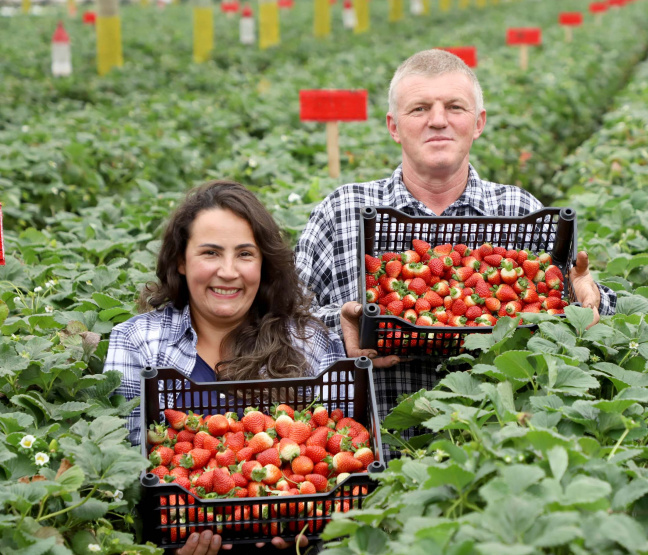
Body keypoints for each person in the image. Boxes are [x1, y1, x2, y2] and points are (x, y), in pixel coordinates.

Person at [294, 49, 617, 423]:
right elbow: (279, 323)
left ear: (478, 122)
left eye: (455, 107)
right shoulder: (342, 211)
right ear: (393, 126)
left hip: (492, 446)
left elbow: (584, 308)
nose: (437, 121)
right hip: (371, 455)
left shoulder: (521, 211)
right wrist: (341, 327)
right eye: (419, 109)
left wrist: (588, 302)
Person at [106, 180, 344, 554]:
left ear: (264, 263)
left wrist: (305, 523)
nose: (229, 271)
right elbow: (128, 473)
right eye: (211, 253)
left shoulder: (306, 340)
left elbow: (331, 462)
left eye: (245, 254)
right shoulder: (138, 342)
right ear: (181, 261)